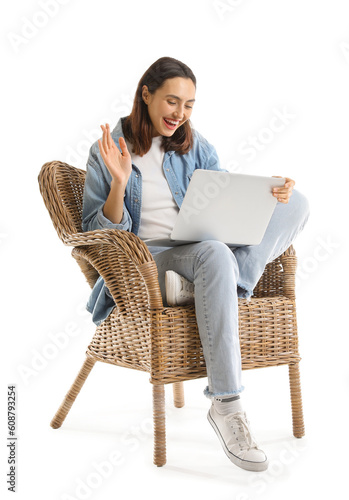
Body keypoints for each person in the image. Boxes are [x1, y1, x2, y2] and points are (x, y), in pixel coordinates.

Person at [82, 56, 310, 472]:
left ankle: (226, 285)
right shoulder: (110, 149)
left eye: (188, 105)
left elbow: (224, 193)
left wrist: (267, 196)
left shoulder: (195, 143)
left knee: (296, 204)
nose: (179, 114)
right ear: (146, 95)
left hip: (201, 246)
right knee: (214, 254)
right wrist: (118, 182)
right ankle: (226, 404)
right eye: (172, 101)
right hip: (148, 260)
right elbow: (100, 236)